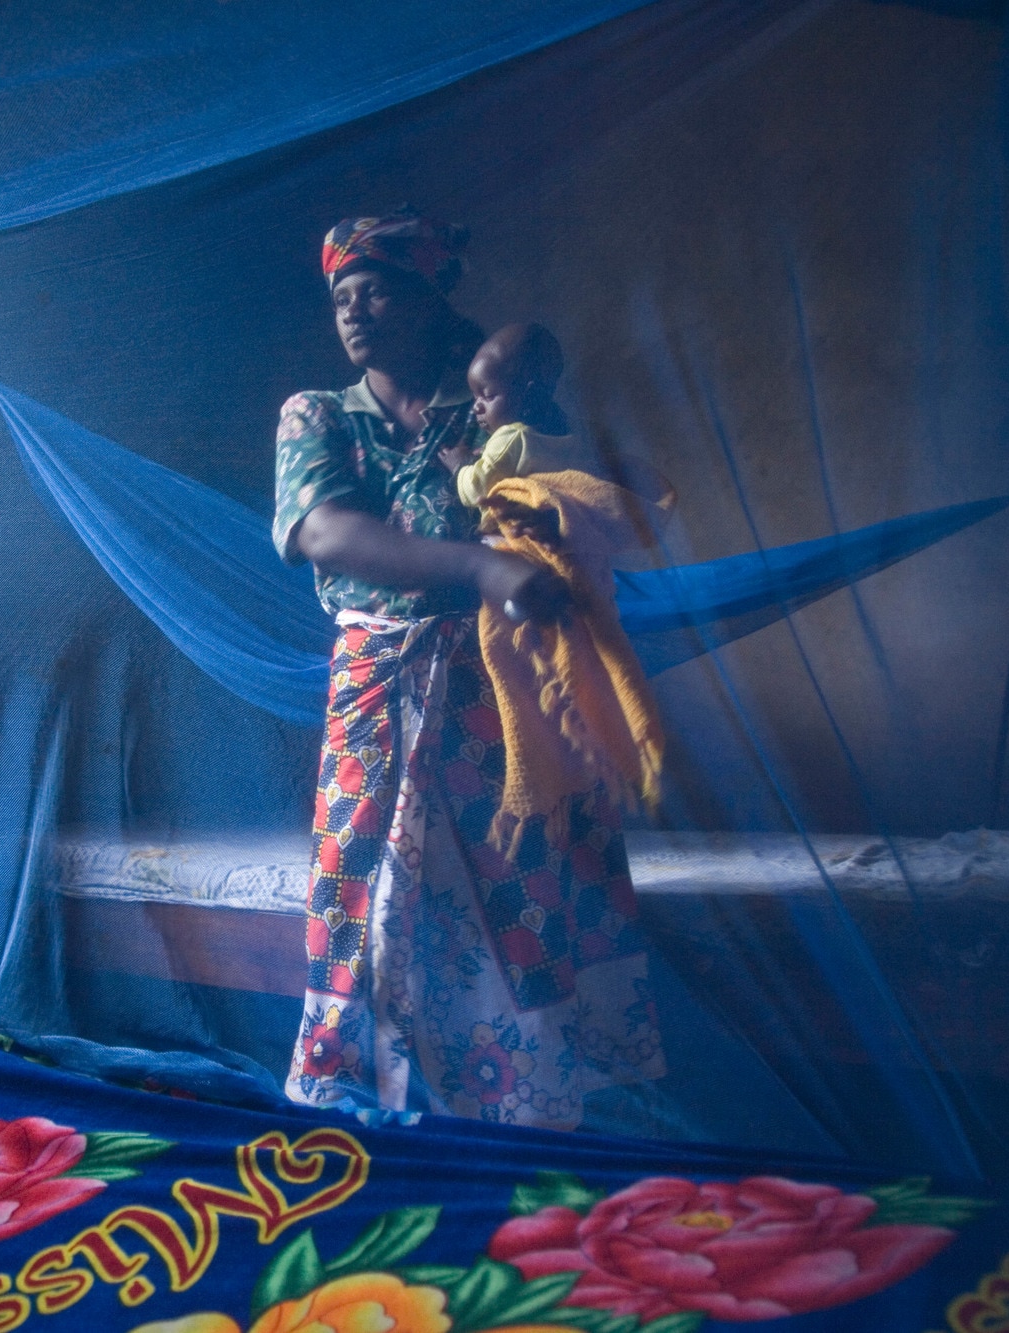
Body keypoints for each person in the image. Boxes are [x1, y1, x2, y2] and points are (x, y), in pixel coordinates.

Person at [271, 211, 664, 1129]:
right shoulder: (319, 414)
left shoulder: (488, 408)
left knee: (525, 873)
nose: (354, 311)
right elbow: (322, 532)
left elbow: (561, 491)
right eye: (340, 297)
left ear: (428, 297)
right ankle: (360, 1101)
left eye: (376, 289)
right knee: (360, 877)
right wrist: (482, 567)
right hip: (383, 680)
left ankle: (526, 1100)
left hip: (501, 688)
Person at [448, 322, 611, 508]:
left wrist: (459, 466)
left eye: (488, 396)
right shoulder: (579, 429)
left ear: (529, 394)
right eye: (475, 397)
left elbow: (477, 489)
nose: (476, 408)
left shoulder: (512, 438)